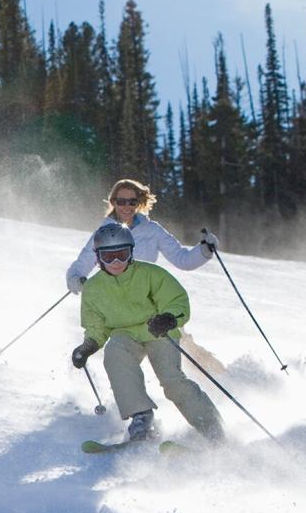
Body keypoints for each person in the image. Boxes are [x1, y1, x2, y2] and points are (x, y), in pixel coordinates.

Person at [70, 223, 225, 443]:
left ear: (131, 252)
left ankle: (211, 427)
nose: (116, 262)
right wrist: (88, 346)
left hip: (158, 330)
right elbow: (97, 326)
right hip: (124, 334)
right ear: (98, 258)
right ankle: (141, 416)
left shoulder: (150, 274)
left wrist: (169, 318)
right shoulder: (94, 288)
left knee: (172, 381)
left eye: (121, 255)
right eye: (108, 256)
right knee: (115, 351)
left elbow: (177, 300)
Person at [65, 178, 217, 294]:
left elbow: (183, 260)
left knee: (169, 327)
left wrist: (204, 250)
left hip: (148, 296)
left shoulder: (152, 230)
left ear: (138, 203)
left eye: (132, 202)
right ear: (113, 202)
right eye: (121, 201)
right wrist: (75, 278)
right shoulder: (104, 234)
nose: (127, 207)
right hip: (116, 297)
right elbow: (84, 262)